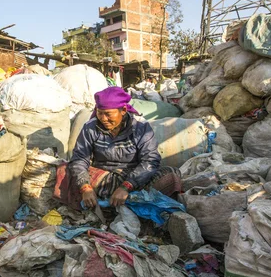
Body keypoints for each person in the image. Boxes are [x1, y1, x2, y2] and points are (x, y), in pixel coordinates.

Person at [55, 86, 181, 215]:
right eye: (99, 113)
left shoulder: (140, 127)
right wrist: (85, 187)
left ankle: (112, 202)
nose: (103, 118)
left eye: (108, 114)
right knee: (64, 169)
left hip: (133, 177)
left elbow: (150, 160)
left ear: (123, 110)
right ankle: (115, 203)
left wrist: (127, 186)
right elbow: (80, 158)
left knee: (171, 174)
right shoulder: (90, 128)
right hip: (102, 177)